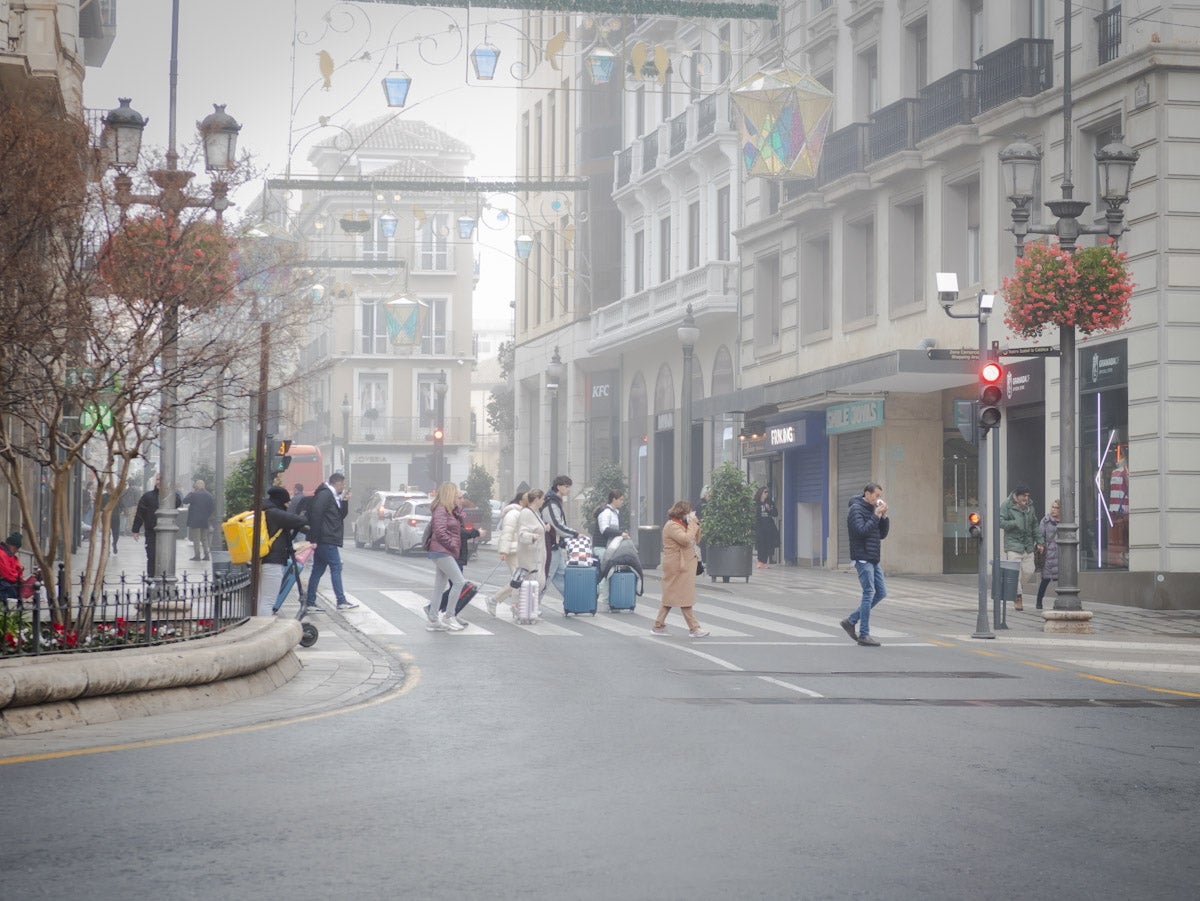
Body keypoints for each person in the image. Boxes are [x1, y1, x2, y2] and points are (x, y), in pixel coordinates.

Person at [839, 482, 890, 647]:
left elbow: (881, 534)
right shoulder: (856, 509)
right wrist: (876, 515)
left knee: (881, 592)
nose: (878, 499)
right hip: (862, 557)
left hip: (873, 557)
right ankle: (864, 634)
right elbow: (860, 531)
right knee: (868, 592)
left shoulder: (872, 510)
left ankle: (851, 620)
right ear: (867, 494)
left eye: (880, 497)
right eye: (876, 496)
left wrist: (884, 517)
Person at [303, 472, 358, 611]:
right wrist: (314, 538)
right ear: (337, 483)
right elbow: (316, 515)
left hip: (325, 538)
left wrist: (344, 501)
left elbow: (340, 516)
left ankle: (310, 602)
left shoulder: (331, 495)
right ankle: (341, 600)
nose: (343, 487)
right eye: (342, 484)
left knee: (317, 570)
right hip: (326, 538)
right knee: (336, 567)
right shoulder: (325, 494)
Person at [653, 500, 708, 638]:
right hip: (677, 565)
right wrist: (692, 525)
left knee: (673, 595)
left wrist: (695, 525)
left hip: (683, 564)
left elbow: (696, 539)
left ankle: (658, 625)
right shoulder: (672, 526)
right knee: (684, 595)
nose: (689, 515)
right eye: (687, 512)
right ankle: (694, 628)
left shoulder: (683, 524)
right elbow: (685, 539)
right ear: (681, 512)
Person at [425, 481, 474, 632]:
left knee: (439, 587)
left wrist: (457, 508)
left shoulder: (448, 509)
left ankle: (433, 619)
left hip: (443, 551)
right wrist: (453, 544)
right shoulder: (441, 509)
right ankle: (449, 616)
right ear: (448, 494)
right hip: (442, 551)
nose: (458, 496)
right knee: (459, 581)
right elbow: (440, 531)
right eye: (455, 493)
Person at [257, 486, 309, 617]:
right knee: (268, 601)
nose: (287, 505)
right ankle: (264, 631)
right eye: (286, 503)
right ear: (281, 501)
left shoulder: (260, 510)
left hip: (258, 559)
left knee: (260, 599)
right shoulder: (274, 513)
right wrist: (304, 515)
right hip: (272, 561)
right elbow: (297, 520)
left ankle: (260, 626)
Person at [487, 490, 532, 616]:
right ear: (521, 501)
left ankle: (507, 603)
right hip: (512, 551)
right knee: (519, 580)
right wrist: (504, 551)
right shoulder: (513, 513)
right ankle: (503, 602)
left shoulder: (521, 513)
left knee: (518, 580)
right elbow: (507, 533)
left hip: (519, 550)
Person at [131, 476, 182, 577]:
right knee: (152, 555)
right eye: (158, 479)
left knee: (167, 556)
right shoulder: (147, 497)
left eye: (162, 480)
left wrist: (169, 490)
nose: (159, 482)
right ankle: (151, 577)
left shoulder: (172, 496)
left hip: (168, 533)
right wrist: (135, 529)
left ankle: (166, 576)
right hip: (151, 531)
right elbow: (140, 513)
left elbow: (178, 502)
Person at [999, 485, 1039, 612]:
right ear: (1017, 496)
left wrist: (1040, 541)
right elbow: (1000, 521)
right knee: (1015, 574)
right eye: (1024, 496)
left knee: (1029, 570)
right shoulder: (1007, 504)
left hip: (1027, 545)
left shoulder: (1030, 506)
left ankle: (1017, 587)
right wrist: (1014, 523)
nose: (1026, 498)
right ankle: (1018, 597)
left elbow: (1034, 524)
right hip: (1013, 545)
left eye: (1028, 496)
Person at [541, 475, 579, 599]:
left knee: (561, 575)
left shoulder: (554, 501)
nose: (568, 490)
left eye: (569, 487)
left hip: (554, 546)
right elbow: (556, 525)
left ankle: (574, 601)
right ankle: (533, 605)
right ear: (558, 487)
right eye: (566, 487)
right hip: (550, 546)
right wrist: (575, 534)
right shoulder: (551, 503)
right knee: (546, 577)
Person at [594, 489, 628, 608]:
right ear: (614, 499)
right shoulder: (606, 512)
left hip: (609, 547)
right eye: (621, 499)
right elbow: (604, 529)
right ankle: (602, 600)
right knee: (606, 573)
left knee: (607, 572)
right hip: (602, 547)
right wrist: (620, 533)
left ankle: (604, 599)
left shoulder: (615, 512)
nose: (622, 502)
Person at [1035, 499, 1061, 611]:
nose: (1053, 510)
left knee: (1064, 580)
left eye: (1056, 508)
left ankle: (1061, 601)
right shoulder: (1045, 521)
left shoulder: (1065, 521)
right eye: (1053, 507)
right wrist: (1040, 545)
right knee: (1045, 579)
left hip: (1061, 554)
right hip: (1048, 555)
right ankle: (1039, 601)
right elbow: (1040, 536)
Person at [181, 479, 215, 562]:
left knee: (196, 539)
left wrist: (191, 492)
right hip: (204, 520)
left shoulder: (194, 494)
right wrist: (206, 515)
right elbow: (211, 508)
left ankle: (197, 555)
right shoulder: (209, 495)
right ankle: (206, 555)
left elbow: (184, 501)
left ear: (196, 486)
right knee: (204, 538)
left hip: (195, 520)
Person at [754, 486, 779, 568]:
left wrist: (769, 509)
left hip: (768, 526)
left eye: (767, 492)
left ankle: (765, 561)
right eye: (765, 492)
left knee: (768, 544)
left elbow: (775, 513)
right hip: (760, 526)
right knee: (760, 543)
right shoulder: (756, 502)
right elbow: (754, 514)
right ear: (761, 493)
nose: (766, 494)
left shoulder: (770, 502)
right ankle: (760, 561)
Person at [0, 532, 25, 606]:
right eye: (16, 548)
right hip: (4, 585)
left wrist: (20, 572)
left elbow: (15, 571)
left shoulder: (11, 556)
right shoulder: (2, 554)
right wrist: (18, 578)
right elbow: (7, 573)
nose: (16, 550)